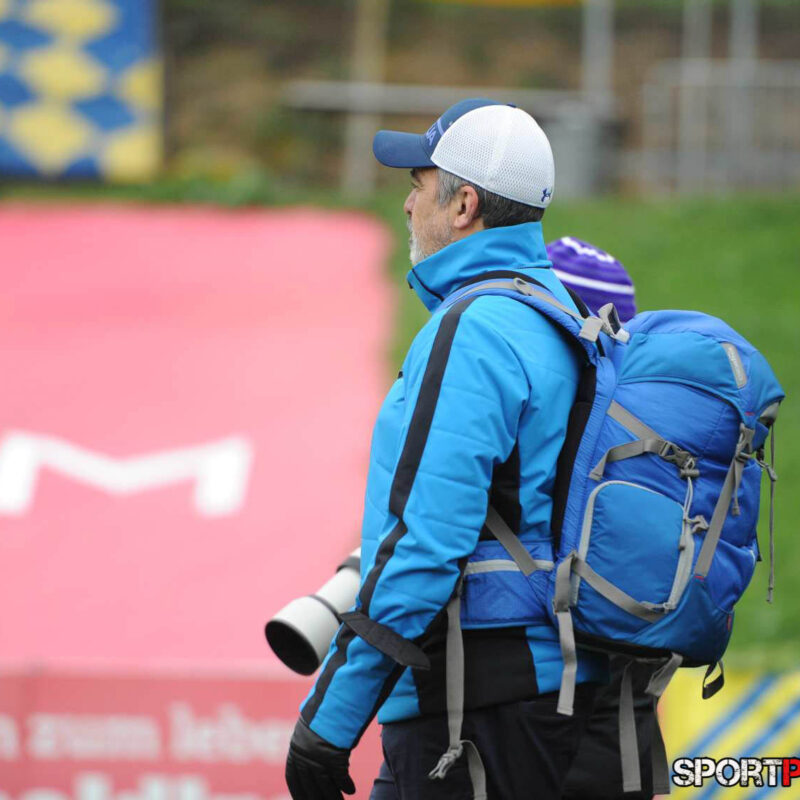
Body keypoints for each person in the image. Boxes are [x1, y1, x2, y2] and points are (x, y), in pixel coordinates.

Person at [284, 98, 609, 800]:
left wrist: (328, 721)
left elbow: (425, 544)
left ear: (463, 205)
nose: (407, 205)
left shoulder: (475, 330)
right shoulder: (562, 314)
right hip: (539, 686)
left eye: (417, 184)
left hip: (470, 699)